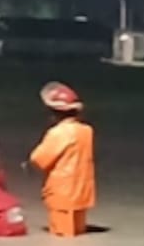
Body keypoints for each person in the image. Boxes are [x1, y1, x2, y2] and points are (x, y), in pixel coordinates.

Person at [28, 82, 96, 237]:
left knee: (61, 235)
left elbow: (40, 159)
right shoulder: (87, 131)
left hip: (62, 192)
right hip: (82, 191)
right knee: (79, 232)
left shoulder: (58, 133)